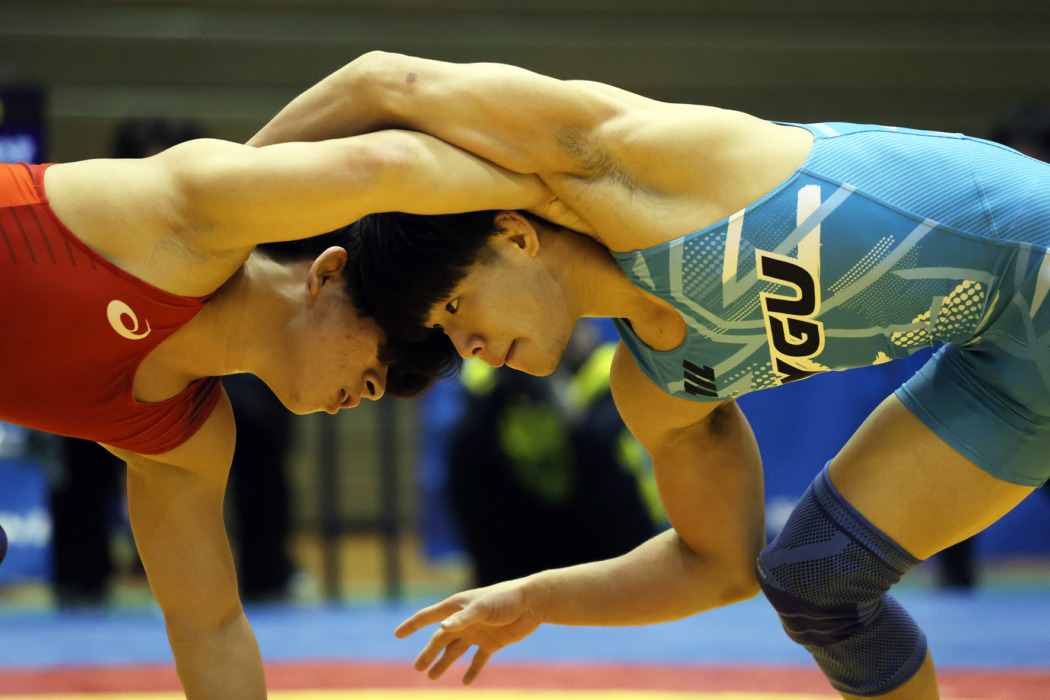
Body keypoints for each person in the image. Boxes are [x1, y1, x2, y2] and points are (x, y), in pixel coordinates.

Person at [248, 51, 1050, 699]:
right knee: (817, 580)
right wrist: (534, 596)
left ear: (515, 236)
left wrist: (217, 227)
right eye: (448, 332)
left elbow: (379, 82)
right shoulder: (660, 386)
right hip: (1007, 371)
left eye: (458, 305)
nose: (473, 346)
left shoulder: (631, 166)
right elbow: (718, 567)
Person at [0, 123, 569, 697]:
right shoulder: (195, 219)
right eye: (382, 359)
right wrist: (571, 195)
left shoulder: (184, 440)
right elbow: (385, 140)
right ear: (327, 274)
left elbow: (211, 631)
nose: (373, 391)